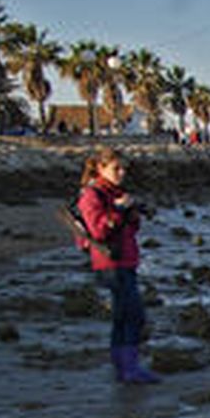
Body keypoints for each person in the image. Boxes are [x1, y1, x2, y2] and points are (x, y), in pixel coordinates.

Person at [77, 147, 159, 383]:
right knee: (133, 315)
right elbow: (98, 231)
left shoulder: (115, 192)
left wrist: (131, 215)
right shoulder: (92, 195)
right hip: (110, 263)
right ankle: (129, 368)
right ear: (101, 168)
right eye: (116, 168)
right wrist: (119, 210)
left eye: (124, 169)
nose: (122, 173)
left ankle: (123, 366)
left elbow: (129, 230)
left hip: (125, 260)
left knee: (123, 315)